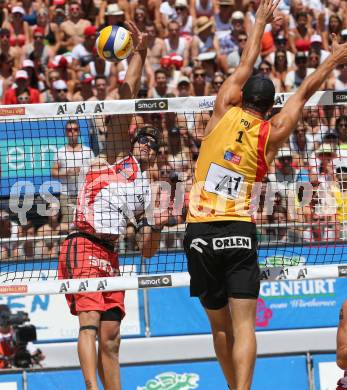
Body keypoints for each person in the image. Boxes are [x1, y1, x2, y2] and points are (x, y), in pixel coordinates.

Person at [183, 0, 347, 388]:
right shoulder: (271, 134)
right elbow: (304, 94)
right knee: (245, 327)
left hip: (200, 232)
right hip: (238, 230)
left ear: (241, 97)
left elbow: (245, 62)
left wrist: (258, 21)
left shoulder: (223, 107)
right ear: (270, 106)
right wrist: (331, 60)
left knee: (220, 330)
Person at [58, 22, 166, 390]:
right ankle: (92, 387)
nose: (144, 145)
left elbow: (148, 251)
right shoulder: (117, 154)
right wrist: (140, 52)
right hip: (84, 242)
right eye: (142, 139)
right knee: (88, 322)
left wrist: (156, 226)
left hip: (113, 253)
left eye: (151, 144)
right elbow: (126, 93)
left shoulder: (148, 190)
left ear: (156, 154)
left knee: (112, 337)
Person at [51, 119, 94, 226]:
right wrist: (67, 172)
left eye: (75, 129)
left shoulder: (87, 151)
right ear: (66, 132)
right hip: (66, 195)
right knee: (68, 225)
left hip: (84, 193)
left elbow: (95, 171)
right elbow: (53, 172)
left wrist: (83, 171)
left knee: (85, 224)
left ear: (79, 131)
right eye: (69, 130)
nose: (72, 132)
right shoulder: (60, 151)